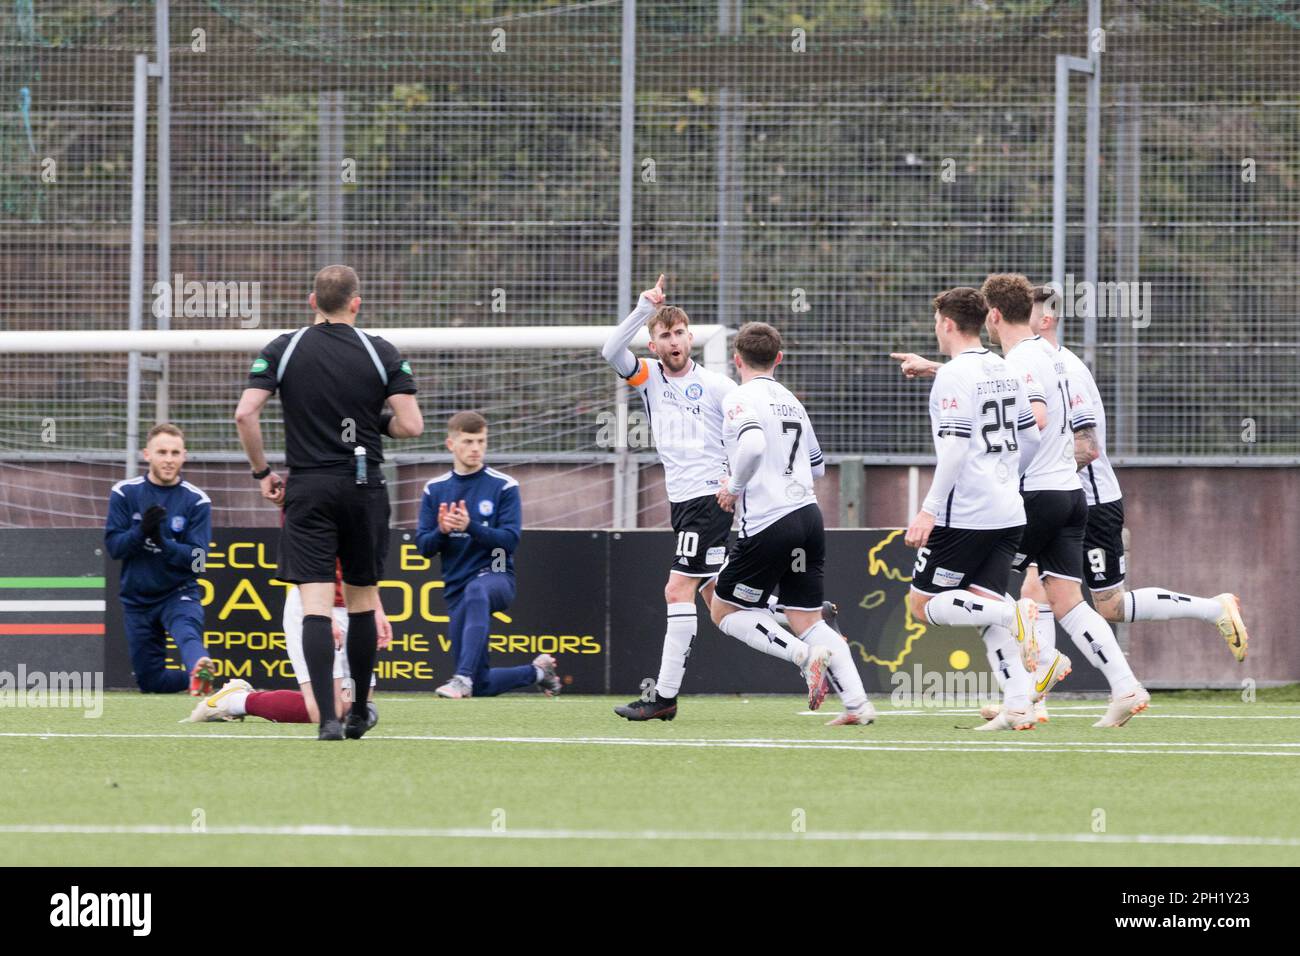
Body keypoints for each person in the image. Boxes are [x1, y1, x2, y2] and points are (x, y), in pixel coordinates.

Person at [235, 264, 423, 740]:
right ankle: (359, 709)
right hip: (363, 487)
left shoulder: (284, 347)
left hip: (309, 487)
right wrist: (367, 422)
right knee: (361, 604)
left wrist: (262, 472)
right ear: (356, 302)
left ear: (311, 301)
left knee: (315, 607)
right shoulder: (381, 351)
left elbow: (245, 413)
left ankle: (329, 722)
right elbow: (411, 426)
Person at [981, 273, 1148, 728]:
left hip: (1038, 493)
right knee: (1067, 599)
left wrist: (1006, 473)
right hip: (1073, 495)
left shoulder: (1019, 362)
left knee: (984, 591)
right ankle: (1125, 686)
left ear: (994, 316)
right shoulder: (1051, 356)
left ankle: (1019, 702)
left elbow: (1032, 422)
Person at [708, 322, 874, 725]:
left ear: (736, 359)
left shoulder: (739, 397)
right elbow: (817, 466)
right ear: (778, 359)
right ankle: (858, 705)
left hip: (768, 521)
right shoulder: (791, 401)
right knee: (806, 618)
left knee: (722, 608)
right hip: (808, 518)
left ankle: (802, 656)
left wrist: (734, 485)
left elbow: (752, 444)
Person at [898, 288, 1040, 731]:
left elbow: (956, 448)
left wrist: (928, 510)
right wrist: (1005, 477)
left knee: (923, 604)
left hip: (967, 515)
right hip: (1008, 510)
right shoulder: (1003, 366)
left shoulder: (953, 375)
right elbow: (1031, 436)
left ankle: (1013, 615)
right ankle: (1018, 706)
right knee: (981, 601)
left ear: (946, 324)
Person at [602, 275, 740, 721]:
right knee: (719, 599)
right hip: (682, 504)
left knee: (677, 588)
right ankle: (805, 628)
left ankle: (663, 697)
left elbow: (746, 438)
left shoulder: (719, 386)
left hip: (708, 501)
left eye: (680, 332)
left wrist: (734, 481)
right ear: (654, 343)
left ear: (691, 337)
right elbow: (610, 351)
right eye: (665, 335)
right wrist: (645, 306)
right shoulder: (648, 378)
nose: (674, 340)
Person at [416, 411, 560, 699]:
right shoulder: (435, 489)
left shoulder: (503, 485)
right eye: (468, 441)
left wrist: (471, 527)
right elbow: (424, 547)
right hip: (457, 588)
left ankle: (461, 679)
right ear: (450, 444)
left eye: (481, 441)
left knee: (478, 590)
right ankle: (539, 673)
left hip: (496, 574)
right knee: (481, 685)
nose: (476, 448)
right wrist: (443, 531)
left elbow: (508, 540)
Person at [185, 559, 391, 726]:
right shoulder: (317, 510)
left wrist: (376, 607)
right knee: (325, 711)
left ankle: (239, 699)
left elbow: (368, 560)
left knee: (353, 706)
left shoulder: (371, 509)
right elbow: (304, 555)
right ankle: (235, 701)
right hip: (313, 606)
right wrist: (323, 612)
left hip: (355, 608)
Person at [104, 423, 216, 695]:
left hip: (178, 592)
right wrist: (141, 532)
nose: (169, 460)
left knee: (187, 631)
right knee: (150, 682)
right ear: (147, 454)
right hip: (138, 598)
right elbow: (115, 547)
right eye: (162, 452)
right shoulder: (124, 493)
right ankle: (196, 680)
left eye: (175, 453)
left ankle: (199, 665)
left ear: (184, 456)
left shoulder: (197, 501)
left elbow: (199, 561)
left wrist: (164, 544)